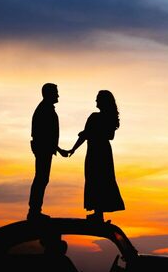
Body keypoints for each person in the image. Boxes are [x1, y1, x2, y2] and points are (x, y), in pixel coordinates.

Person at [66, 90, 124, 222]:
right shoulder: (104, 118)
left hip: (98, 151)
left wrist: (89, 134)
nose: (96, 101)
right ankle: (98, 213)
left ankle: (98, 213)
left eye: (98, 99)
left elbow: (93, 135)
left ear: (103, 102)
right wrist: (73, 149)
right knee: (97, 179)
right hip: (101, 151)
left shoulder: (96, 117)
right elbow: (88, 135)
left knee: (98, 179)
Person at [28, 83, 69, 220]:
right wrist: (57, 149)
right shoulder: (44, 109)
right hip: (42, 149)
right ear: (48, 94)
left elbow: (48, 136)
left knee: (42, 178)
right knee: (41, 178)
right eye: (55, 92)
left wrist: (58, 149)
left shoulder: (46, 109)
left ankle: (35, 210)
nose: (58, 95)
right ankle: (34, 211)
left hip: (44, 148)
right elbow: (43, 135)